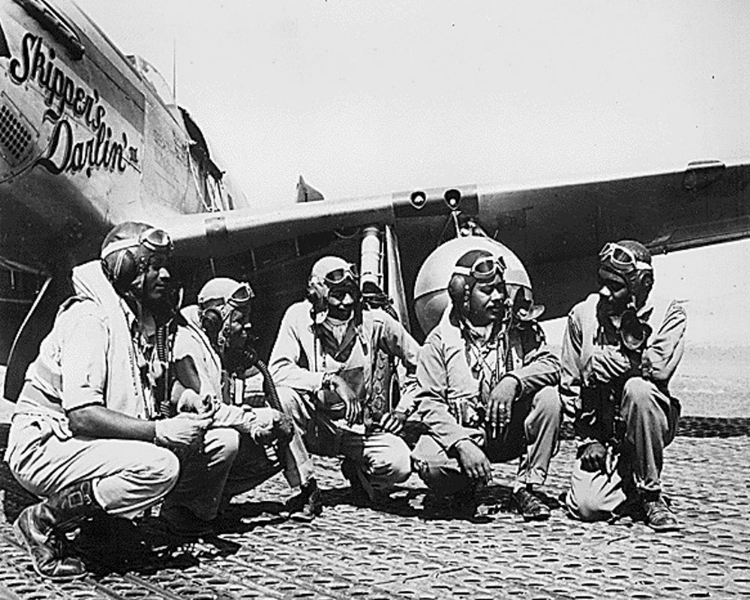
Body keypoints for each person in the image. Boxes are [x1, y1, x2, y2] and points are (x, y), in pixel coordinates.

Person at [4, 222, 212, 581]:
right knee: (158, 465)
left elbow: (141, 386)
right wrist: (161, 430)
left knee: (171, 451)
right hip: (44, 445)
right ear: (125, 266)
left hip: (72, 444)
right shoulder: (90, 318)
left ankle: (103, 527)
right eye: (152, 264)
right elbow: (83, 415)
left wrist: (184, 398)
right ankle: (40, 522)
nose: (165, 274)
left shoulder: (126, 319)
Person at [411, 248, 562, 520]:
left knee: (549, 398)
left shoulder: (519, 329)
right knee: (430, 463)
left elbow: (552, 364)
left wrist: (513, 381)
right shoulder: (439, 342)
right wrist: (461, 444)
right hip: (468, 435)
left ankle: (526, 488)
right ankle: (461, 488)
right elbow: (429, 403)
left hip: (509, 431)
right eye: (488, 291)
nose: (498, 297)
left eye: (500, 290)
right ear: (463, 295)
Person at [269, 255, 420, 515]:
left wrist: (403, 409)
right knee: (283, 399)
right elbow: (277, 371)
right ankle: (306, 487)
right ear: (317, 295)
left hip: (359, 425)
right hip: (316, 423)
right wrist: (327, 380)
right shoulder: (296, 317)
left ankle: (359, 471)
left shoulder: (376, 321)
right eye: (338, 295)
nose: (347, 302)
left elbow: (421, 363)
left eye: (351, 293)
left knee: (399, 465)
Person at [560, 240, 686, 531]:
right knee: (587, 508)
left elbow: (658, 366)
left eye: (615, 286)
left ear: (642, 285)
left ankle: (651, 495)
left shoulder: (670, 312)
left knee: (638, 390)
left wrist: (603, 362)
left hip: (646, 418)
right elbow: (570, 384)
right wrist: (589, 439)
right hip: (601, 427)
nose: (605, 292)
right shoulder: (582, 315)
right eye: (602, 282)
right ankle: (626, 481)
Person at [166, 277, 296, 529]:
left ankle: (212, 498)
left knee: (275, 447)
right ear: (215, 320)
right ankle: (183, 508)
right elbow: (208, 410)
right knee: (229, 439)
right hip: (184, 436)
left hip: (200, 435)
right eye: (239, 319)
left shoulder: (212, 342)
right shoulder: (187, 345)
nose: (247, 325)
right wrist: (260, 420)